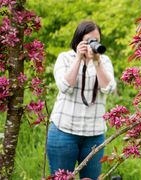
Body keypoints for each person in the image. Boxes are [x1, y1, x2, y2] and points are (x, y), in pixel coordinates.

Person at [47, 20, 116, 179]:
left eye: (96, 41)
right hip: (64, 132)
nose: (93, 44)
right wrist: (78, 59)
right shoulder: (65, 58)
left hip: (94, 134)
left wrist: (97, 61)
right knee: (61, 178)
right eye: (89, 41)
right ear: (78, 41)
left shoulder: (104, 61)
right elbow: (65, 87)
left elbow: (109, 88)